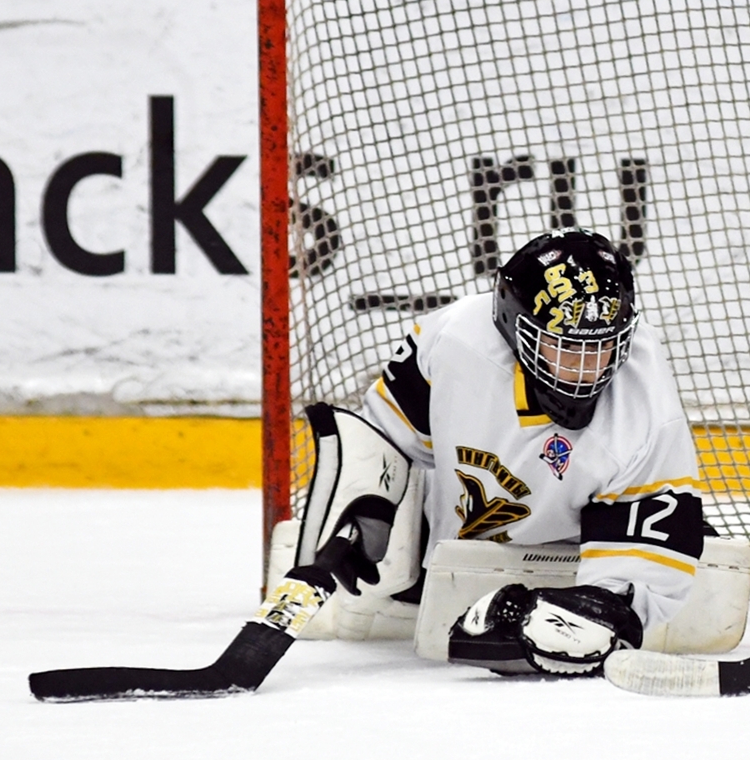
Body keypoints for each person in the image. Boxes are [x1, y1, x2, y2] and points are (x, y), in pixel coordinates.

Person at [293, 227, 706, 677]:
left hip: (572, 556)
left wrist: (604, 608)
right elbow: (387, 436)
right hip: (449, 552)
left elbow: (639, 563)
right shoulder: (452, 339)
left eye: (603, 347)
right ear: (514, 326)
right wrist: (369, 505)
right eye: (564, 347)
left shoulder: (645, 410)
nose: (587, 369)